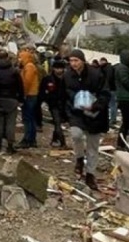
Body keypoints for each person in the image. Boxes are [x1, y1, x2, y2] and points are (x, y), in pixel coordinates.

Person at [64, 49, 110, 191]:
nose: (73, 64)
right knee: (76, 135)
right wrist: (75, 101)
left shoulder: (96, 74)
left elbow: (105, 93)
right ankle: (79, 158)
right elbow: (66, 92)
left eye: (76, 60)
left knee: (92, 146)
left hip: (95, 114)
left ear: (82, 60)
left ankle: (90, 174)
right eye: (71, 61)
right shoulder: (68, 75)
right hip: (77, 112)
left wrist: (94, 106)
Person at [0, 51, 24, 154]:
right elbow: (20, 86)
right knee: (10, 123)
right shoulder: (14, 71)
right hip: (12, 99)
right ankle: (10, 146)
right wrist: (21, 99)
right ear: (8, 57)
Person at [39, 58, 67, 148]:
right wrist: (44, 100)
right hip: (53, 104)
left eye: (61, 68)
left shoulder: (66, 79)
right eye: (57, 68)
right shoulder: (48, 79)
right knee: (57, 122)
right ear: (53, 68)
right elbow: (42, 91)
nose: (59, 70)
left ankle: (54, 139)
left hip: (64, 104)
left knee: (57, 122)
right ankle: (63, 142)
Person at [17, 50, 40, 148]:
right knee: (31, 117)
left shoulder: (29, 67)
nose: (19, 59)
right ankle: (32, 139)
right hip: (32, 94)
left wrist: (23, 95)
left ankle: (27, 139)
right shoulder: (29, 66)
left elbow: (26, 82)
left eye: (20, 57)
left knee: (27, 118)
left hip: (29, 95)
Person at [100, 57, 118, 128]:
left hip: (110, 89)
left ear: (103, 61)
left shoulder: (107, 68)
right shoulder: (109, 67)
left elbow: (108, 78)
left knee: (111, 105)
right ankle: (113, 119)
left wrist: (106, 87)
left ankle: (112, 120)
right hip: (112, 88)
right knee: (113, 105)